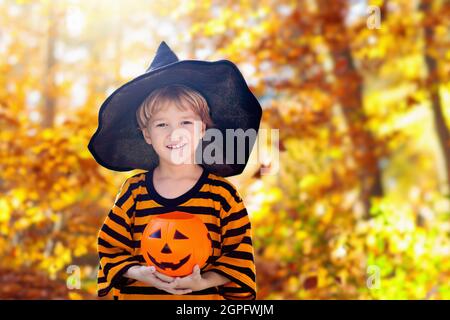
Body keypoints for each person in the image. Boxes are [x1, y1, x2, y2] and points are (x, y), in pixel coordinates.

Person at [88, 41, 262, 300]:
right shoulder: (133, 192)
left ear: (203, 129)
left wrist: (204, 282)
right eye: (161, 125)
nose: (175, 133)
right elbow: (111, 247)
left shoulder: (222, 196)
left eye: (185, 122)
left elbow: (239, 256)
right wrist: (137, 272)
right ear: (147, 135)